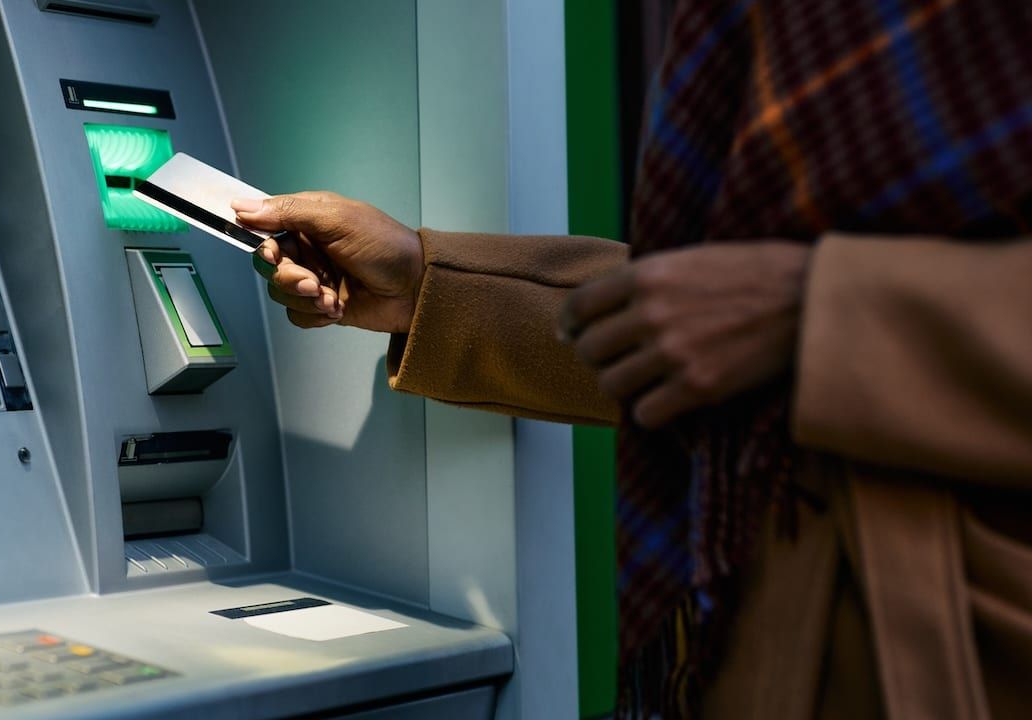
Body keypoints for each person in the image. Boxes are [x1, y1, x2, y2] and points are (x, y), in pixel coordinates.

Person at [235, 1, 1032, 718]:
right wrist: (421, 284)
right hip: (782, 615)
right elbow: (704, 323)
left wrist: (818, 311)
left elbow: (755, 314)